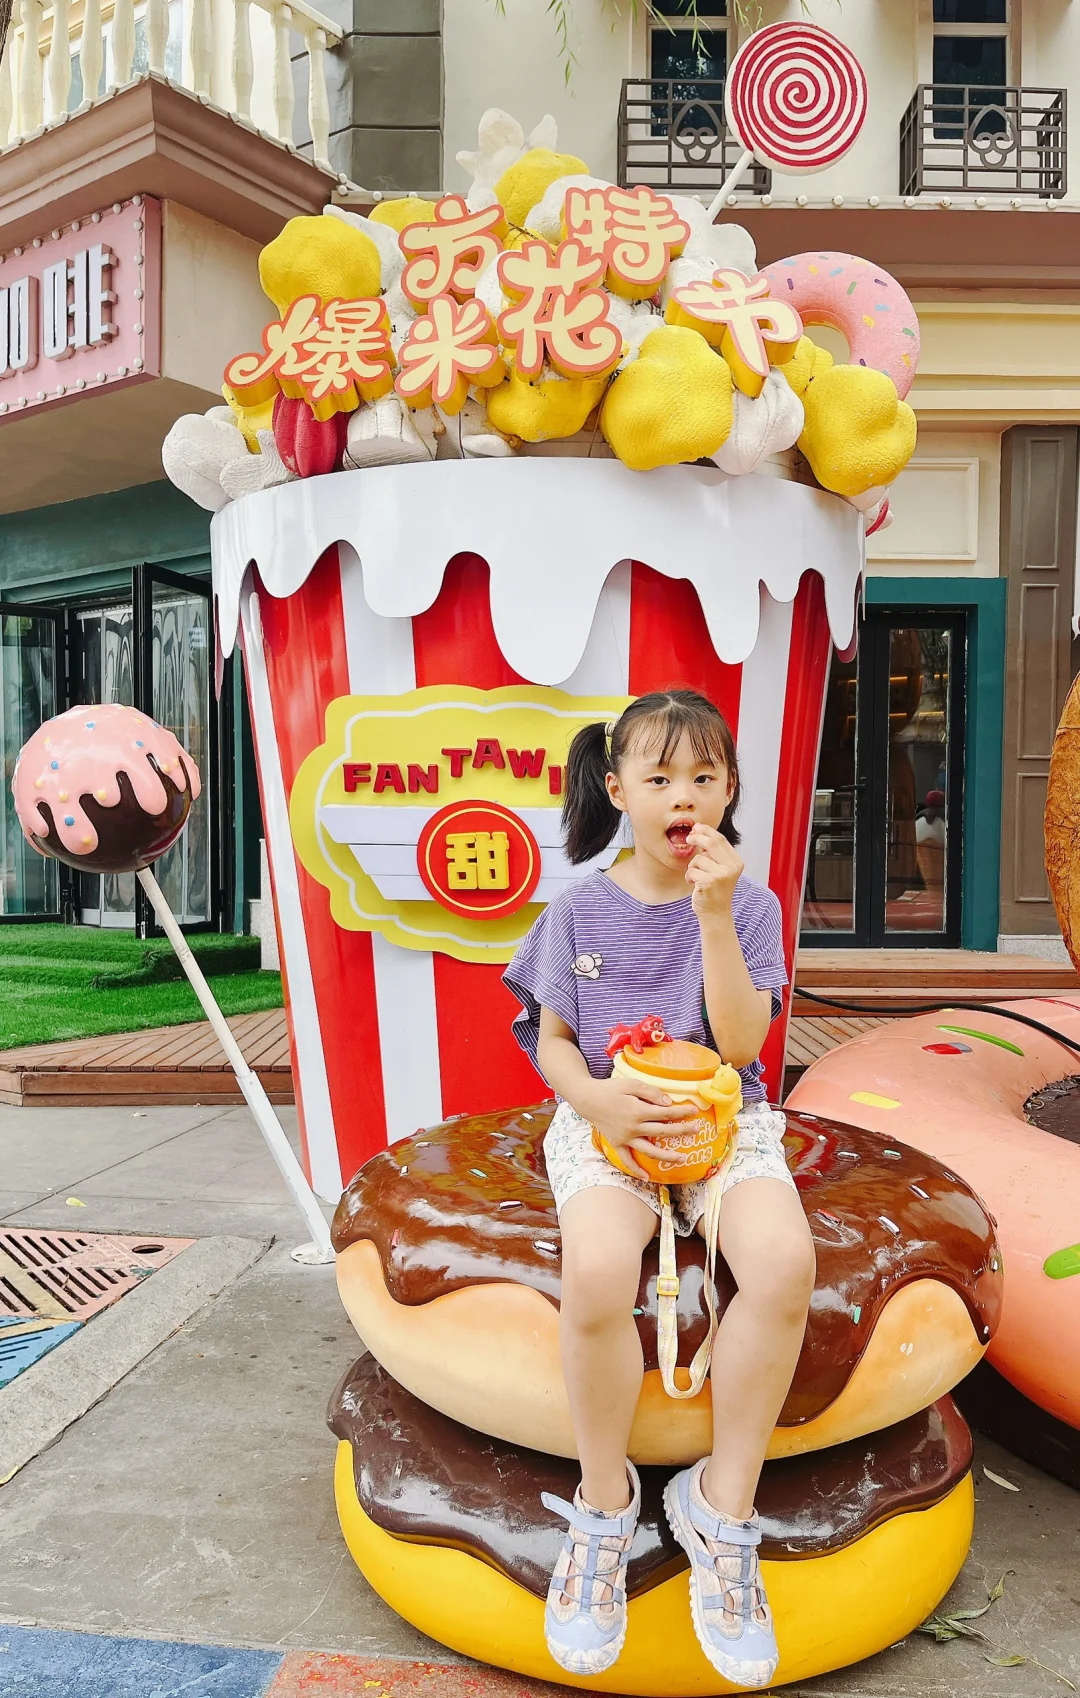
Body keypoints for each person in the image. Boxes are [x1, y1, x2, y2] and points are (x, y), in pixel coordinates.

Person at [503, 688, 815, 1689]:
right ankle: (604, 1503)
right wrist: (599, 1102)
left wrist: (714, 915)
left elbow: (743, 1047)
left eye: (705, 777)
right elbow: (552, 1041)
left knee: (782, 1263)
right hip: (611, 1122)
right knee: (598, 1270)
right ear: (617, 789)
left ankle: (722, 1509)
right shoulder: (577, 910)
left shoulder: (750, 905)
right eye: (660, 777)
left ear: (729, 790)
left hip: (724, 1124)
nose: (685, 796)